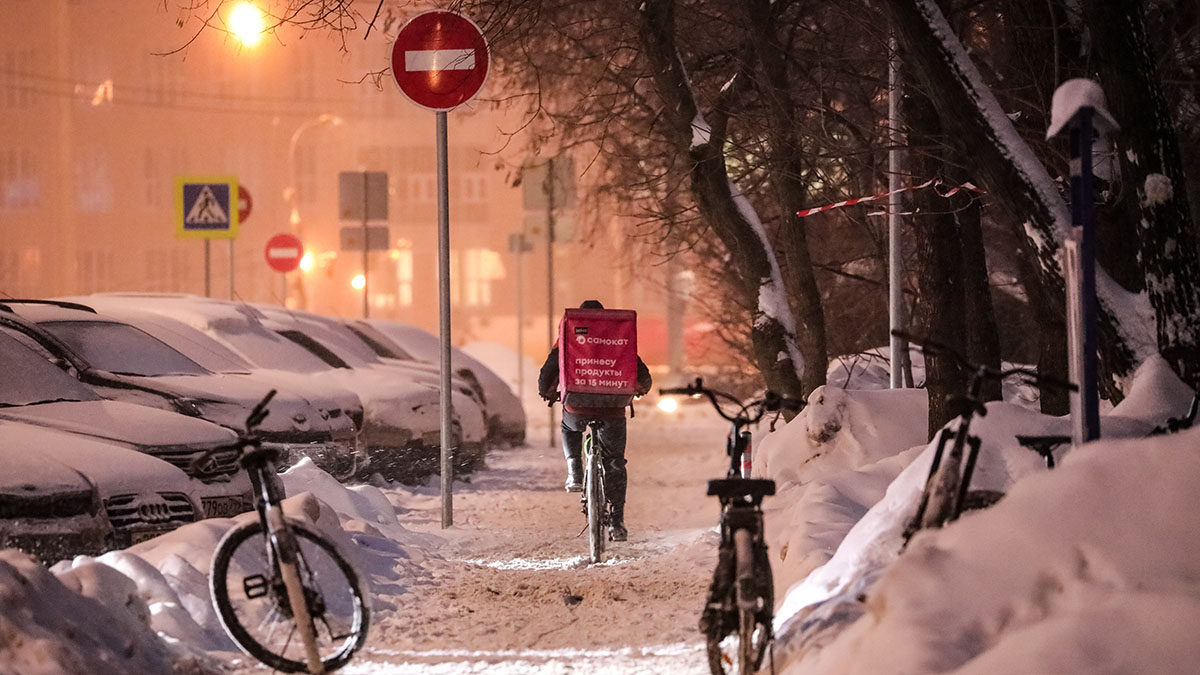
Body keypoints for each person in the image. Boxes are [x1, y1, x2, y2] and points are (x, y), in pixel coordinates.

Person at [538, 300, 652, 542]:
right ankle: (617, 520)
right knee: (615, 463)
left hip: (577, 405)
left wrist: (548, 392)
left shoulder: (568, 336)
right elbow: (642, 375)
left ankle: (575, 472)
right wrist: (639, 388)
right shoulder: (618, 337)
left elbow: (549, 371)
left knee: (568, 426)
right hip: (613, 408)